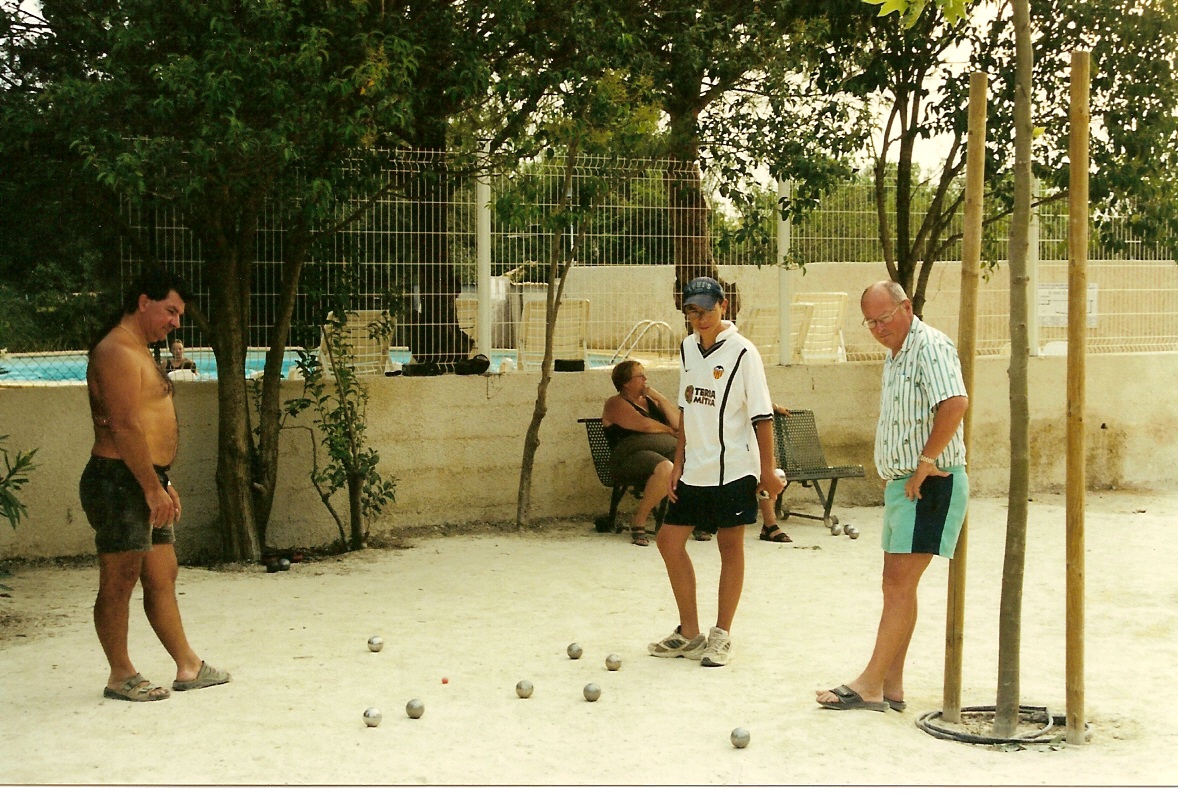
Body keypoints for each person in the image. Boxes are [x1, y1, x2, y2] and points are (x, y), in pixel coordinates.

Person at [816, 280, 968, 712]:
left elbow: (955, 403)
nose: (878, 328)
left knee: (898, 587)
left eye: (883, 318)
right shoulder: (897, 354)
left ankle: (868, 684)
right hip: (908, 484)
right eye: (870, 322)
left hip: (930, 481)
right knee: (898, 587)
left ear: (906, 307)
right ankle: (890, 683)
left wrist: (924, 460)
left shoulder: (930, 346)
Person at [80, 269, 230, 702]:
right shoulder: (115, 350)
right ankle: (120, 674)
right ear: (143, 301)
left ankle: (188, 666)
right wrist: (149, 486)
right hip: (119, 482)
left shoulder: (139, 350)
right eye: (171, 311)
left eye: (179, 314)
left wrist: (163, 480)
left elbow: (146, 423)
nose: (175, 323)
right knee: (120, 578)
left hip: (144, 479)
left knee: (162, 574)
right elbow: (124, 425)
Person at [648, 277, 785, 667]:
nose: (700, 318)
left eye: (706, 310)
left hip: (734, 469)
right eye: (692, 310)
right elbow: (687, 408)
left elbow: (762, 416)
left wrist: (767, 471)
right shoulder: (688, 347)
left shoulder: (744, 353)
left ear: (723, 307)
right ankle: (690, 632)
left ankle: (721, 635)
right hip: (695, 468)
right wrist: (679, 461)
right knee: (669, 542)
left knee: (730, 547)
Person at [601, 360, 681, 547]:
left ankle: (696, 520)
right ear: (626, 383)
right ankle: (639, 520)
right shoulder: (615, 403)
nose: (645, 379)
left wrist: (658, 397)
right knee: (676, 456)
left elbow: (678, 423)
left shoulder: (650, 401)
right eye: (640, 375)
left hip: (657, 455)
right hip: (627, 458)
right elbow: (643, 425)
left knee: (673, 465)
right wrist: (669, 431)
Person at [758, 404, 793, 543]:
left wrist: (775, 407)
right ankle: (701, 524)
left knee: (770, 466)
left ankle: (769, 525)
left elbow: (755, 398)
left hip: (745, 436)